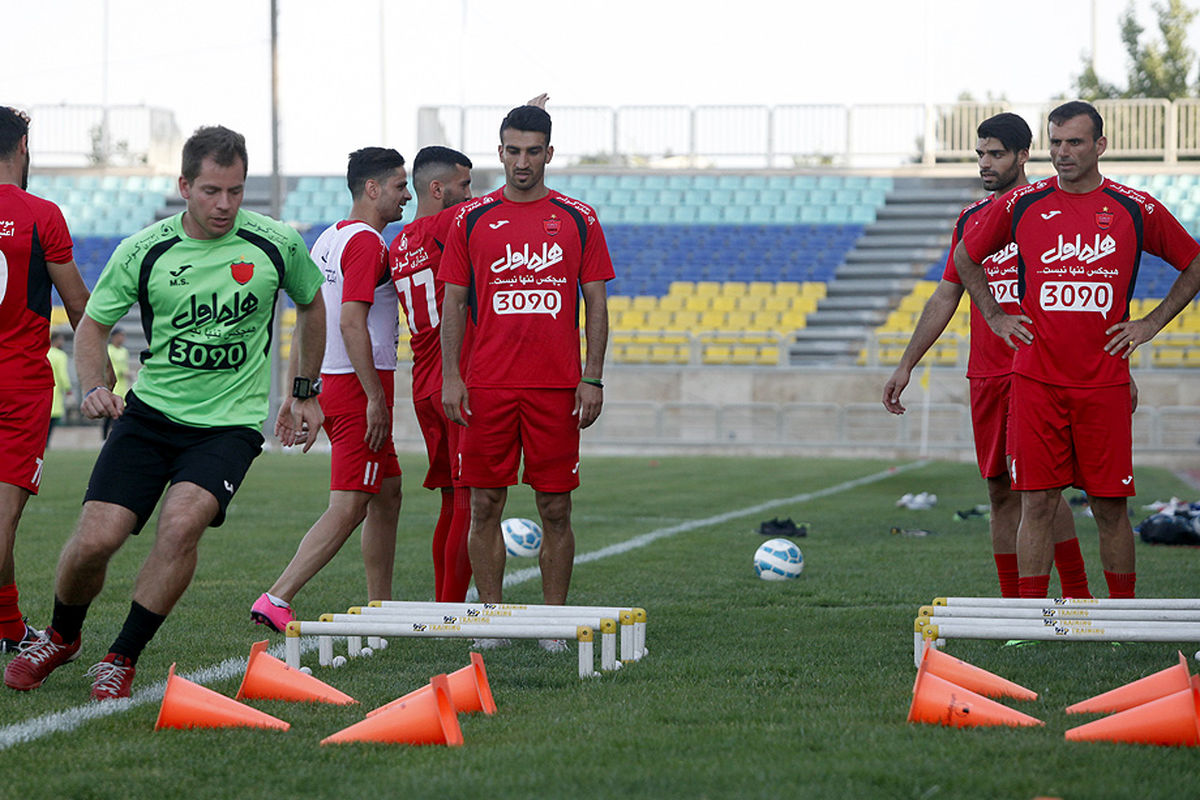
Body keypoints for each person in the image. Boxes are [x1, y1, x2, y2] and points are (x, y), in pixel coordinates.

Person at [4, 125, 326, 700]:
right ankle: (60, 636)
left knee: (181, 525)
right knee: (95, 540)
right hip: (148, 417)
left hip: (228, 426)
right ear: (183, 185)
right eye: (210, 191)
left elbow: (311, 301)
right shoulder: (144, 248)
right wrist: (94, 384)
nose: (224, 204)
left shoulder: (277, 242)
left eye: (235, 190)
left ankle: (121, 657)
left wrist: (304, 389)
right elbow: (93, 326)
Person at [954, 100, 1200, 599]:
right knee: (1036, 503)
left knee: (1111, 507)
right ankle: (1030, 620)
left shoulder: (1135, 207)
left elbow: (1194, 262)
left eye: (1075, 142)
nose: (1062, 153)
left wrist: (1151, 323)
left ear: (1100, 146)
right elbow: (966, 256)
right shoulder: (1022, 203)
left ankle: (1121, 620)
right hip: (1035, 380)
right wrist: (996, 316)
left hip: (1104, 381)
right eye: (1055, 143)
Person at [882, 113, 1091, 599]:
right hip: (987, 374)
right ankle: (1013, 608)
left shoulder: (1052, 210)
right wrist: (906, 363)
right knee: (999, 492)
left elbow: (1086, 291)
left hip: (1039, 371)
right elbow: (944, 297)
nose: (985, 163)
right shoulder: (970, 220)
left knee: (1042, 491)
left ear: (1023, 156)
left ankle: (1079, 599)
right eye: (980, 154)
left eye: (996, 153)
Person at [440, 104, 613, 651]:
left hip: (557, 387)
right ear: (500, 152)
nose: (522, 162)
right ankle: (491, 621)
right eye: (512, 151)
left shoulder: (578, 218)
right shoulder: (471, 219)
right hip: (487, 385)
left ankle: (553, 625)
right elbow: (454, 303)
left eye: (532, 151)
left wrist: (593, 377)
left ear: (549, 154)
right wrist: (451, 376)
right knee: (485, 503)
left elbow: (597, 306)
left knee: (555, 507)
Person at [251, 147, 410, 631]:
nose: (407, 196)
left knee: (388, 493)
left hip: (331, 383)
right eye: (401, 186)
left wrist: (296, 391)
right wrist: (377, 399)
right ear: (373, 188)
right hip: (360, 388)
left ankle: (380, 606)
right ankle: (277, 596)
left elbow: (307, 323)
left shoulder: (326, 240)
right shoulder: (366, 245)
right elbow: (349, 322)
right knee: (349, 505)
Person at [0, 106, 92, 652]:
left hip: (20, 384)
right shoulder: (41, 214)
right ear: (24, 147)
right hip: (18, 384)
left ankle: (9, 626)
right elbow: (81, 308)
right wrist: (99, 379)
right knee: (3, 517)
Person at [389, 145, 475, 602]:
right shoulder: (447, 224)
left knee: (451, 499)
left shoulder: (399, 243)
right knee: (470, 500)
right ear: (438, 189)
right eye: (464, 185)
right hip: (455, 381)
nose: (471, 194)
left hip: (424, 380)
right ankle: (450, 610)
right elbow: (508, 198)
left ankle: (446, 602)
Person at [102, 326, 132, 439]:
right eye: (120, 336)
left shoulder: (124, 351)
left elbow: (125, 366)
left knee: (119, 414)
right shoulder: (109, 349)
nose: (122, 338)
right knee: (109, 415)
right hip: (112, 385)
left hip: (122, 386)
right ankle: (104, 438)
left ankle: (114, 437)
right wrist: (121, 372)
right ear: (114, 337)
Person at [47, 330, 74, 445]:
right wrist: (68, 389)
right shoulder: (60, 355)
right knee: (52, 419)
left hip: (43, 389)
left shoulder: (45, 352)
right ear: (57, 340)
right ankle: (47, 443)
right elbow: (63, 374)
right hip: (55, 390)